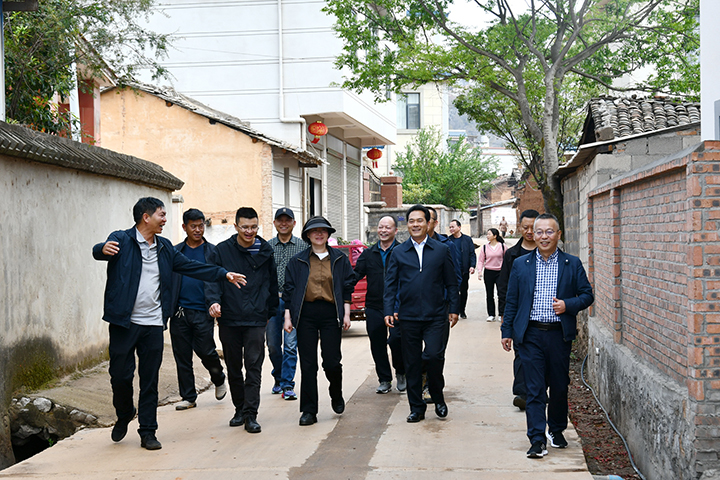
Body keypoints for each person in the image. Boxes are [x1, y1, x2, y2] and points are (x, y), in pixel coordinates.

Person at [92, 197, 245, 450]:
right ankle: (124, 412)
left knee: (149, 379)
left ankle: (148, 431)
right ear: (146, 217)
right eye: (161, 215)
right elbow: (99, 250)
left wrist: (223, 274)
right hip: (124, 323)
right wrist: (101, 249)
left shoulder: (164, 247)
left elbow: (192, 267)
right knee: (120, 376)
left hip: (153, 323)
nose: (165, 219)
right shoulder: (121, 239)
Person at [501, 213, 593, 458]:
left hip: (559, 335)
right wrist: (507, 331)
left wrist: (568, 305)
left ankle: (556, 429)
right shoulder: (521, 264)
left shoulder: (572, 264)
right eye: (539, 231)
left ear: (558, 235)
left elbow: (587, 295)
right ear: (533, 234)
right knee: (535, 388)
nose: (543, 236)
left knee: (560, 386)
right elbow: (512, 300)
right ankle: (536, 439)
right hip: (530, 334)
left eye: (549, 232)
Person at [206, 207, 279, 434]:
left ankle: (251, 414)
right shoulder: (221, 251)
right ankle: (239, 408)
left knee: (254, 366)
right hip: (229, 317)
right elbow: (212, 279)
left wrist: (270, 311)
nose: (249, 231)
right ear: (236, 226)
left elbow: (272, 283)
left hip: (256, 318)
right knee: (234, 367)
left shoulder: (265, 251)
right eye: (245, 227)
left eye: (254, 227)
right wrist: (213, 301)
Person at [384, 205, 459, 423]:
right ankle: (416, 407)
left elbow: (451, 282)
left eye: (420, 221)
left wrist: (454, 308)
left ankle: (437, 396)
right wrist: (388, 309)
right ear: (407, 225)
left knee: (434, 356)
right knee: (412, 363)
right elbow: (390, 284)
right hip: (408, 317)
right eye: (411, 221)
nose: (415, 224)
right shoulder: (399, 252)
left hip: (436, 315)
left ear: (428, 223)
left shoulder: (441, 250)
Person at [283, 217, 355, 426]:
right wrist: (288, 318)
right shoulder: (297, 261)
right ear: (307, 235)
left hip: (331, 313)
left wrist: (346, 314)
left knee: (332, 361)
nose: (319, 234)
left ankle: (336, 393)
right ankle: (309, 410)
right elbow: (289, 291)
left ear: (328, 234)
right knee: (308, 364)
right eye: (315, 231)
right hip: (306, 313)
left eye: (323, 230)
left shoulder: (339, 259)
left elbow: (347, 287)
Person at [169, 208, 227, 411]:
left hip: (203, 312)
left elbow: (218, 279)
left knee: (206, 351)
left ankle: (218, 378)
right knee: (182, 356)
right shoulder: (176, 252)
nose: (197, 230)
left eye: (200, 226)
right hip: (179, 312)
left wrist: (215, 301)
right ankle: (188, 397)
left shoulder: (213, 252)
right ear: (184, 227)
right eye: (193, 226)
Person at [353, 216, 405, 394]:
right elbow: (356, 275)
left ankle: (401, 372)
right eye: (381, 227)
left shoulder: (402, 251)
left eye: (387, 227)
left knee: (397, 340)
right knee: (377, 343)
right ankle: (384, 379)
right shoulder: (369, 254)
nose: (383, 230)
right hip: (374, 306)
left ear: (395, 231)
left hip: (397, 306)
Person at [497, 209, 539, 411]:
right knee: (521, 353)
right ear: (519, 227)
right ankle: (523, 393)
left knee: (541, 355)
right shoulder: (512, 255)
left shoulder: (549, 252)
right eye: (525, 227)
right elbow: (503, 286)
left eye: (533, 228)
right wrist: (504, 314)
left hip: (544, 313)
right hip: (519, 312)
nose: (529, 232)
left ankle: (538, 389)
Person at [267, 207, 307, 401]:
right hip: (272, 301)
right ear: (275, 223)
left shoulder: (302, 247)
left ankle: (287, 384)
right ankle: (278, 376)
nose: (284, 223)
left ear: (294, 223)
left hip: (293, 302)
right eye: (280, 220)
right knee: (273, 345)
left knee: (290, 345)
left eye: (287, 220)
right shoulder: (267, 247)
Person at [447, 219, 477, 319]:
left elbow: (472, 254)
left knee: (463, 291)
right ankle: (453, 310)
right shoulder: (448, 240)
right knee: (453, 291)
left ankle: (462, 310)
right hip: (452, 271)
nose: (451, 229)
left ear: (459, 227)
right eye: (450, 227)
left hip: (464, 270)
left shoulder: (467, 239)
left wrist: (472, 266)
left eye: (453, 227)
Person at [477, 228, 505, 322]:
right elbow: (481, 260)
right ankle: (491, 314)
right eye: (487, 234)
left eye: (489, 234)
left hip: (500, 272)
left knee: (501, 294)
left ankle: (501, 313)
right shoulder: (485, 247)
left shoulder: (502, 246)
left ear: (495, 236)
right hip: (489, 272)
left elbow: (507, 259)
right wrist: (479, 271)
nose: (487, 236)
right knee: (489, 294)